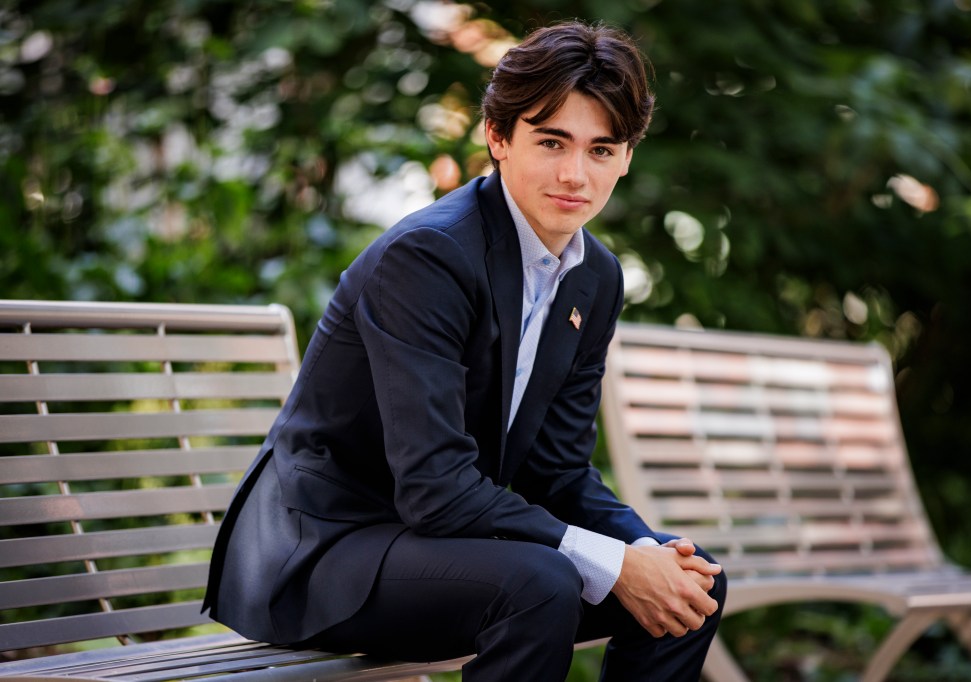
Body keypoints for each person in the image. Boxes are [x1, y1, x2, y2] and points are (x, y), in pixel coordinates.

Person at [204, 20, 726, 681]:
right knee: (539, 585)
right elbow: (435, 489)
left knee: (690, 588)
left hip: (437, 548)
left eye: (601, 150)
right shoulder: (429, 258)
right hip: (324, 551)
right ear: (498, 137)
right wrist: (616, 562)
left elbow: (558, 474)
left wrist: (647, 552)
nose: (575, 175)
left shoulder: (596, 276)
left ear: (626, 157)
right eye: (552, 142)